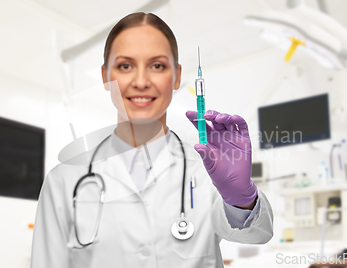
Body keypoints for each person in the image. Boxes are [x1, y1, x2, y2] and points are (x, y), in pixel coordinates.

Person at [30, 12, 273, 268]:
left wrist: (243, 199)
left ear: (177, 76)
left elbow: (258, 234)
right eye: (125, 66)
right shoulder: (64, 180)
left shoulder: (207, 170)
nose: (142, 81)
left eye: (157, 65)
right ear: (105, 76)